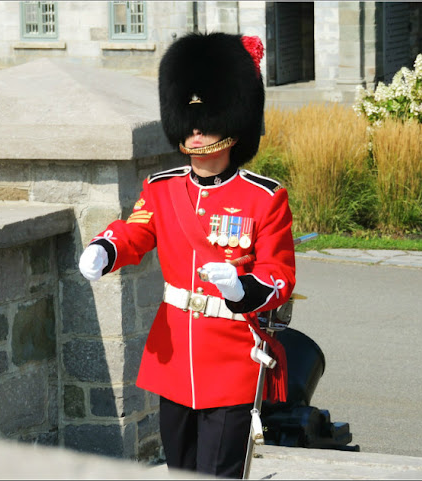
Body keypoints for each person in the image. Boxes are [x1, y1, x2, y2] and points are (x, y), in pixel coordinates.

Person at [79, 32, 296, 479]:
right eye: (190, 120)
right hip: (174, 356)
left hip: (232, 357)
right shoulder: (163, 188)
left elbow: (279, 276)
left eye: (207, 118)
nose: (195, 130)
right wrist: (106, 247)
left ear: (233, 121)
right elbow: (136, 231)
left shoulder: (264, 198)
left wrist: (242, 288)